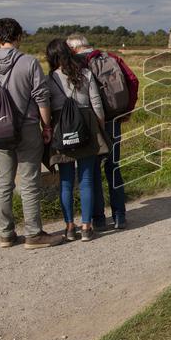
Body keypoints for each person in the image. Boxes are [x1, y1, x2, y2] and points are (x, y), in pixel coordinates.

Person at [0, 18, 62, 250]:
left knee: (3, 182)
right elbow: (42, 98)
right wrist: (47, 127)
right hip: (27, 128)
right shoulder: (29, 63)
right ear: (19, 37)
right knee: (29, 182)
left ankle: (6, 234)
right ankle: (33, 234)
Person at [46, 39, 111, 242]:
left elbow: (45, 107)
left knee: (65, 182)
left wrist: (47, 128)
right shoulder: (85, 74)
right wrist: (100, 126)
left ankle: (69, 227)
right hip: (87, 128)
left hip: (61, 130)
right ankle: (86, 226)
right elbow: (97, 104)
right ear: (69, 52)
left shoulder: (49, 79)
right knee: (86, 181)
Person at [67, 34, 133, 231]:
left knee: (92, 170)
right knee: (113, 167)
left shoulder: (77, 63)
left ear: (73, 48)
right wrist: (126, 109)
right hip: (114, 118)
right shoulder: (111, 58)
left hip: (91, 123)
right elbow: (132, 80)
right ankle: (120, 216)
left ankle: (98, 219)